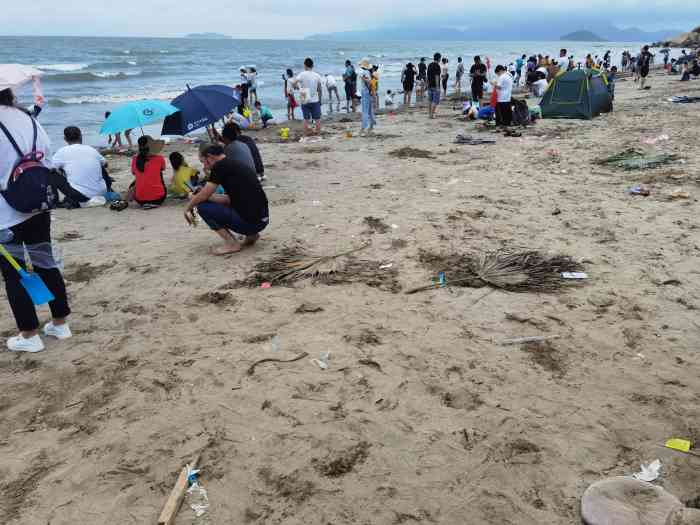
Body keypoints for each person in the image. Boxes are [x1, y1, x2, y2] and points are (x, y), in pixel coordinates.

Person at [0, 87, 72, 352]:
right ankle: (60, 323)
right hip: (39, 203)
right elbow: (48, 160)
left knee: (14, 273)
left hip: (5, 214)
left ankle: (29, 336)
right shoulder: (30, 119)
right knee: (45, 260)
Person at [185, 144, 269, 256]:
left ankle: (232, 244)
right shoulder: (234, 163)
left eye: (203, 162)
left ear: (210, 157)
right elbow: (230, 199)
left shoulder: (219, 167)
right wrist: (205, 195)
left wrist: (188, 207)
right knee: (207, 201)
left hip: (251, 223)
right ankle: (252, 234)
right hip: (262, 220)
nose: (205, 166)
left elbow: (204, 196)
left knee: (202, 207)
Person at [52, 126, 110, 207]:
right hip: (102, 192)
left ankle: (54, 201)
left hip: (81, 196)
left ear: (65, 139)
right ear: (81, 136)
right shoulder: (91, 149)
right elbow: (106, 164)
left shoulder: (62, 151)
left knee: (51, 173)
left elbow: (50, 167)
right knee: (101, 164)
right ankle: (108, 188)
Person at [128, 135, 167, 208]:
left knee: (138, 179)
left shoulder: (135, 159)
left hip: (140, 200)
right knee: (159, 173)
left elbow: (134, 172)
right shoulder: (159, 158)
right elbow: (163, 168)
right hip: (158, 199)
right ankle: (153, 195)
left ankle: (144, 194)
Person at [292, 57, 323, 135]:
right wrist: (320, 100)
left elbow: (294, 82)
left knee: (305, 119)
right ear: (312, 66)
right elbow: (319, 89)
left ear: (305, 65)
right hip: (315, 98)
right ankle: (318, 134)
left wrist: (297, 87)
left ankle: (305, 134)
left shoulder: (302, 74)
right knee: (317, 119)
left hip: (304, 96)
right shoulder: (317, 75)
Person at [358, 58, 376, 135]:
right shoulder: (368, 72)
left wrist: (363, 79)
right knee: (369, 110)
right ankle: (371, 125)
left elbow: (369, 82)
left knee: (365, 111)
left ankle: (363, 127)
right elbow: (372, 82)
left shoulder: (363, 73)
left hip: (365, 92)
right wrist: (373, 92)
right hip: (369, 92)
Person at [427, 53, 442, 119]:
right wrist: (438, 87)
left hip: (429, 85)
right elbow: (437, 76)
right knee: (435, 101)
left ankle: (430, 114)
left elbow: (427, 76)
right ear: (439, 58)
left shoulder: (429, 65)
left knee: (430, 100)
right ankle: (432, 114)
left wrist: (427, 84)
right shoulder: (437, 66)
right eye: (440, 58)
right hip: (435, 86)